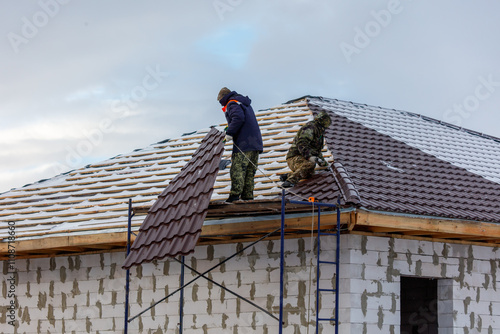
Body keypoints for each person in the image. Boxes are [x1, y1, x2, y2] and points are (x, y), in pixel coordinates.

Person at [217, 87, 263, 202]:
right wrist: (230, 126)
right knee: (249, 171)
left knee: (238, 169)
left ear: (223, 98)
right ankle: (247, 197)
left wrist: (230, 133)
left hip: (244, 143)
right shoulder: (242, 102)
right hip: (255, 143)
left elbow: (238, 118)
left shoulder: (232, 103)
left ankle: (234, 197)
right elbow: (242, 118)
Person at [282, 111, 332, 188]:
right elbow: (302, 144)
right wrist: (309, 157)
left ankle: (288, 176)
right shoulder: (310, 128)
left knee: (310, 173)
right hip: (294, 157)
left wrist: (324, 164)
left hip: (303, 158)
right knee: (310, 164)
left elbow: (317, 151)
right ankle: (290, 181)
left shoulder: (319, 133)